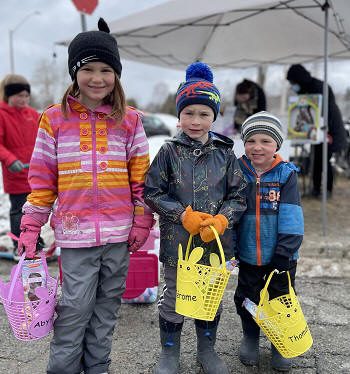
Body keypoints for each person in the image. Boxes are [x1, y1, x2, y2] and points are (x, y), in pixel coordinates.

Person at [17, 18, 154, 374]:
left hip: (120, 234)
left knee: (107, 307)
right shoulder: (54, 120)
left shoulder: (130, 121)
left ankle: (97, 367)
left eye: (106, 70)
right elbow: (42, 179)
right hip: (76, 236)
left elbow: (141, 177)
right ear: (74, 73)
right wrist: (32, 225)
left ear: (117, 74)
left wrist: (142, 218)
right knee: (76, 307)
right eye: (88, 69)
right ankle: (63, 368)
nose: (97, 78)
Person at [144, 62, 247, 374]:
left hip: (214, 244)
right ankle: (169, 353)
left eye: (204, 113)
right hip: (179, 243)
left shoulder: (225, 154)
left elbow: (239, 195)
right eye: (189, 113)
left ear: (214, 116)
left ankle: (207, 350)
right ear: (179, 114)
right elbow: (151, 191)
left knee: (209, 296)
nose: (196, 120)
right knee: (175, 296)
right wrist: (181, 215)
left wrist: (223, 220)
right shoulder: (167, 152)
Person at [234, 111, 304, 372]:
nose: (257, 147)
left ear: (277, 144)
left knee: (280, 298)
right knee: (247, 298)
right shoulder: (237, 171)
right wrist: (232, 247)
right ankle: (250, 337)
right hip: (248, 255)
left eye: (265, 141)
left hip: (280, 257)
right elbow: (232, 212)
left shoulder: (286, 174)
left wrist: (286, 252)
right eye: (251, 140)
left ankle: (279, 342)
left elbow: (292, 216)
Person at [286, 64, 347, 197]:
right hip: (316, 131)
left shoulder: (319, 87)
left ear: (298, 79)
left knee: (325, 160)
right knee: (316, 159)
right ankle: (315, 188)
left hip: (330, 129)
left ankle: (327, 190)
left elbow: (328, 111)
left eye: (292, 82)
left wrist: (327, 131)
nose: (292, 85)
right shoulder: (305, 88)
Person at [0, 74, 41, 259]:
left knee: (37, 209)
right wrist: (10, 160)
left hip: (36, 173)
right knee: (19, 210)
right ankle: (20, 244)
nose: (23, 99)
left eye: (26, 96)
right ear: (8, 95)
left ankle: (36, 242)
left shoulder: (33, 115)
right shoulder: (1, 114)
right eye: (19, 96)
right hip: (15, 174)